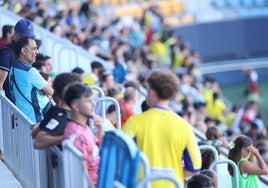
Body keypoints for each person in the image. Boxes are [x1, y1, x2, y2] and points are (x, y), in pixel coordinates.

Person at [123, 69, 201, 187]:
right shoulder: (184, 126)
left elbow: (121, 158)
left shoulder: (134, 122)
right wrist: (171, 171)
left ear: (153, 92)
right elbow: (194, 168)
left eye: (147, 89)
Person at [63, 83, 104, 186]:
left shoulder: (84, 127)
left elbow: (98, 149)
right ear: (76, 107)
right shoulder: (76, 134)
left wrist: (100, 129)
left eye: (93, 100)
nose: (94, 104)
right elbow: (83, 174)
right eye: (88, 101)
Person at [9, 36, 53, 123]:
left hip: (22, 120)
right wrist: (41, 90)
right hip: (36, 120)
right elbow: (50, 91)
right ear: (24, 51)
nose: (37, 52)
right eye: (34, 49)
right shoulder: (30, 71)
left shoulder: (12, 69)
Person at [32, 72, 81, 149]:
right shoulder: (62, 117)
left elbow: (34, 133)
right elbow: (38, 142)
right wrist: (67, 137)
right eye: (79, 89)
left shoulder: (55, 110)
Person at [0, 18, 35, 99]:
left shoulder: (26, 54)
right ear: (15, 34)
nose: (27, 40)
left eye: (30, 37)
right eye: (24, 37)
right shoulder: (7, 54)